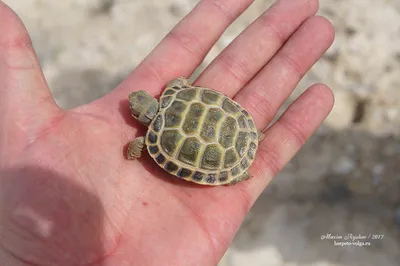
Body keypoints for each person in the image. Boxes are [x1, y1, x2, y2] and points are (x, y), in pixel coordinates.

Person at [0, 0, 334, 265]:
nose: (135, 104)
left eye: (136, 107)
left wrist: (131, 150)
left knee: (218, 153)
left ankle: (233, 174)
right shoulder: (172, 97)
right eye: (137, 105)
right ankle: (237, 161)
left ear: (140, 117)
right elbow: (179, 85)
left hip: (218, 134)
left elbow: (142, 142)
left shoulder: (150, 140)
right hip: (235, 126)